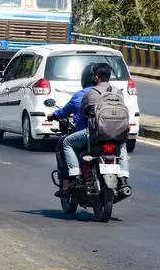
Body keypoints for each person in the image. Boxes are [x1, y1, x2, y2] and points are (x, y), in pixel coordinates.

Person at [49, 62, 130, 197]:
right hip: (117, 133)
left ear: (96, 77)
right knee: (122, 146)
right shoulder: (118, 92)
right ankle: (124, 178)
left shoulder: (90, 93)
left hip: (95, 134)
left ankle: (75, 176)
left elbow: (82, 115)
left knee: (66, 142)